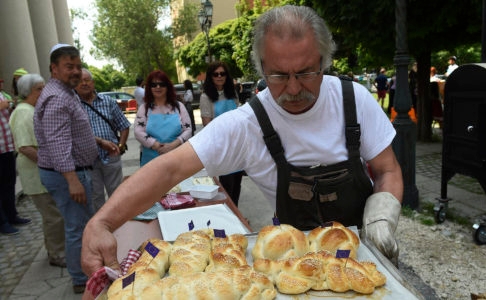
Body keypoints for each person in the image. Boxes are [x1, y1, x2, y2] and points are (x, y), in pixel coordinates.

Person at [82, 5, 403, 278]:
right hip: (297, 270)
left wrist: (381, 218)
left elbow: (387, 170)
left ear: (324, 61)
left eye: (306, 72)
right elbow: (168, 171)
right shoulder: (247, 125)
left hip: (368, 258)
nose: (293, 89)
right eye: (278, 76)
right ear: (261, 67)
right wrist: (102, 222)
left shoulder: (353, 100)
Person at [34, 44, 119, 294]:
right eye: (69, 66)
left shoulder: (65, 92)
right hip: (68, 174)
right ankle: (81, 279)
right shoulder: (56, 97)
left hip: (76, 170)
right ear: (54, 69)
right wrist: (72, 180)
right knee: (77, 226)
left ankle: (86, 269)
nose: (75, 71)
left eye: (78, 66)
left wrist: (99, 141)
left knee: (82, 223)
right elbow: (58, 142)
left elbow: (72, 132)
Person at [9, 73, 66, 266]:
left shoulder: (30, 109)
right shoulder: (24, 112)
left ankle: (54, 248)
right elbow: (25, 148)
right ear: (28, 92)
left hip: (42, 172)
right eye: (40, 88)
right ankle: (57, 254)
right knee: (54, 216)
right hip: (37, 174)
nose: (44, 91)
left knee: (52, 215)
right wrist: (52, 165)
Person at [75, 68, 131, 212]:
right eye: (80, 81)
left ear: (93, 83)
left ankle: (120, 224)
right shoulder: (72, 105)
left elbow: (124, 125)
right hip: (87, 160)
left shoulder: (107, 101)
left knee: (117, 194)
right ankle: (102, 227)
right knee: (95, 197)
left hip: (111, 157)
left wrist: (121, 146)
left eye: (87, 80)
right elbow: (74, 133)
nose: (84, 84)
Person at [199, 61, 243, 206]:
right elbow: (207, 125)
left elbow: (238, 116)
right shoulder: (206, 97)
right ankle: (229, 214)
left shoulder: (232, 93)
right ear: (210, 77)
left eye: (222, 74)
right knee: (226, 184)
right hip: (222, 146)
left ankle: (236, 212)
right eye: (215, 74)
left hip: (237, 144)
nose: (219, 77)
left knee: (237, 183)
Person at [134, 70, 192, 167]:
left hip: (177, 158)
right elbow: (138, 132)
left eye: (162, 84)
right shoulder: (144, 108)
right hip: (150, 161)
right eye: (154, 84)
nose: (158, 87)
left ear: (168, 86)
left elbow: (188, 129)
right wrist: (155, 144)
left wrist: (173, 145)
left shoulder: (179, 106)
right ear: (149, 88)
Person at [0, 78, 31, 236]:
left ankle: (12, 215)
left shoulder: (2, 95)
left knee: (9, 184)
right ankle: (2, 222)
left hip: (6, 148)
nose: (1, 81)